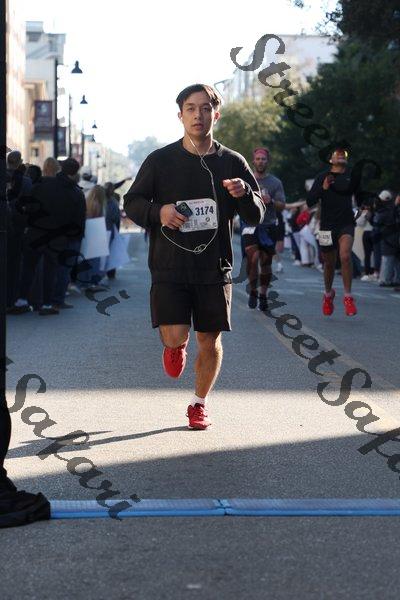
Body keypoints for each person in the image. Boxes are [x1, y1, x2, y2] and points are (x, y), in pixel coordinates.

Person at [123, 83, 264, 430]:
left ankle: (199, 404)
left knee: (209, 340)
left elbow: (256, 214)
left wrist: (245, 193)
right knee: (175, 335)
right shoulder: (160, 161)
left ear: (216, 114)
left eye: (205, 108)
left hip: (214, 267)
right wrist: (159, 212)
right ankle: (175, 346)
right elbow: (132, 202)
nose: (198, 115)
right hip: (169, 265)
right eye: (190, 108)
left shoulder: (232, 162)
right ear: (180, 115)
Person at [8, 158, 86, 316]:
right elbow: (78, 220)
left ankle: (21, 300)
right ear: (75, 172)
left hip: (35, 233)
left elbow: (27, 206)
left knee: (28, 268)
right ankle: (47, 304)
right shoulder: (75, 192)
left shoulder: (41, 184)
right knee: (51, 270)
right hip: (57, 237)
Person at [307, 148, 361, 316]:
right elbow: (310, 201)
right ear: (331, 160)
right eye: (337, 154)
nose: (341, 155)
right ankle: (328, 294)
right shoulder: (322, 177)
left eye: (343, 154)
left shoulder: (352, 176)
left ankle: (348, 297)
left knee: (345, 256)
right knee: (329, 263)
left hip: (346, 223)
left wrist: (363, 207)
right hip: (327, 226)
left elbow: (360, 197)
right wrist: (323, 188)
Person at [241, 147, 285, 311]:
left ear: (268, 162)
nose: (260, 162)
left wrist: (271, 201)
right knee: (252, 259)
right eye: (258, 159)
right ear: (253, 161)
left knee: (265, 262)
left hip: (269, 226)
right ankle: (253, 290)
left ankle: (263, 294)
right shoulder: (246, 180)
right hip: (250, 225)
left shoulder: (275, 183)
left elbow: (282, 205)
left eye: (263, 159)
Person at [6, 151, 32, 309]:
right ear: (20, 162)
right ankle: (11, 299)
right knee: (14, 265)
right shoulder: (26, 181)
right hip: (17, 226)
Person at [375, 190, 400, 287]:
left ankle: (385, 279)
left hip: (387, 238)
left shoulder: (384, 211)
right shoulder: (395, 209)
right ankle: (396, 279)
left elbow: (377, 222)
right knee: (396, 260)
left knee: (387, 259)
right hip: (395, 237)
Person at [104, 181, 122, 279]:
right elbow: (116, 218)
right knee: (111, 251)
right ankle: (110, 272)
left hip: (101, 230)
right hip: (110, 230)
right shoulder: (114, 203)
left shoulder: (99, 201)